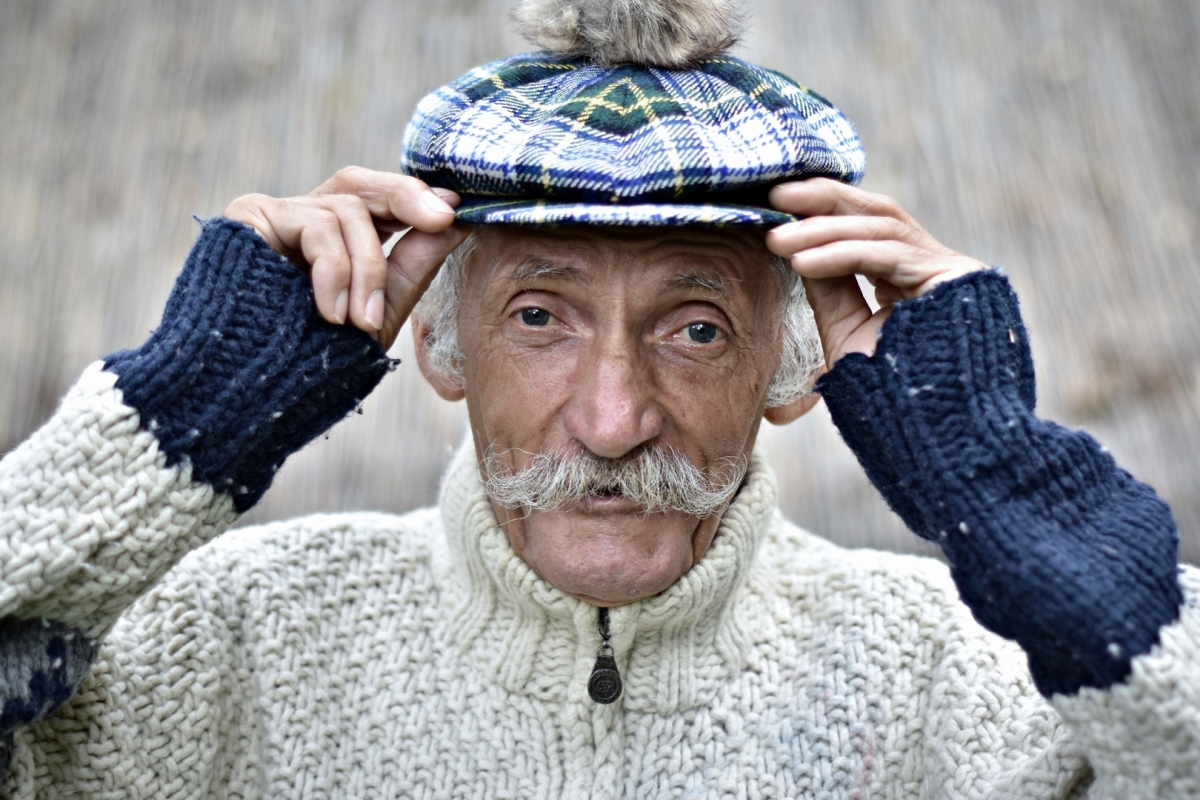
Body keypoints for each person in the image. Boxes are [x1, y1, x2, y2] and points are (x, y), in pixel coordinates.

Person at [1, 1, 1196, 797]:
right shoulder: (232, 632)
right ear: (438, 340)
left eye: (695, 327)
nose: (613, 420)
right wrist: (172, 419)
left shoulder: (965, 678)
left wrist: (1004, 474)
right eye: (539, 316)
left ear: (791, 366)